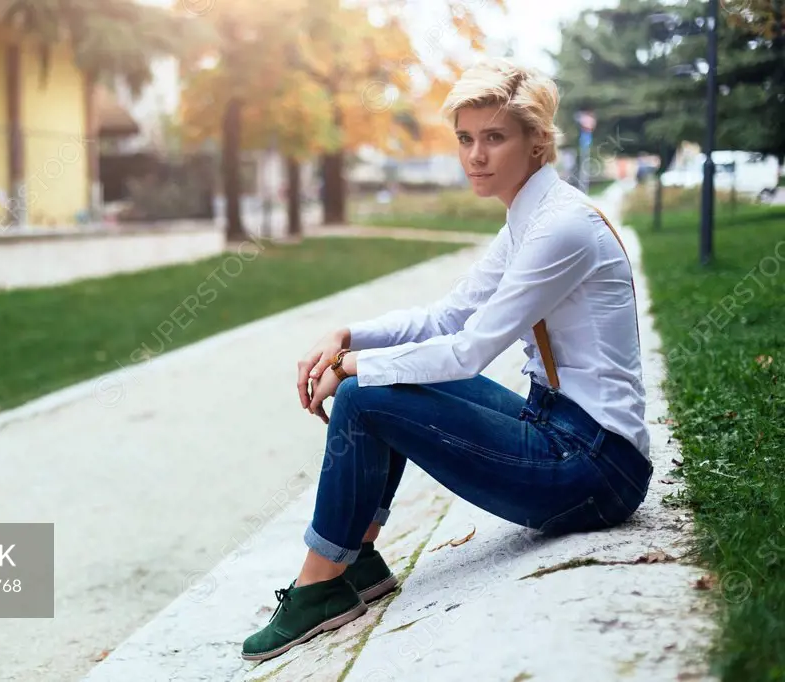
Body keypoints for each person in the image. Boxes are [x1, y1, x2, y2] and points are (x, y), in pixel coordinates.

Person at [241, 57, 654, 663]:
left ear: (537, 141)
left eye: (494, 137)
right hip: (559, 430)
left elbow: (468, 351)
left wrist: (352, 367)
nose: (475, 156)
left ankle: (320, 586)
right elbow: (447, 315)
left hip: (595, 470)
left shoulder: (561, 229)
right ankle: (359, 559)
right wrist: (348, 334)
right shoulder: (529, 218)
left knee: (364, 395)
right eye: (465, 138)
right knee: (379, 388)